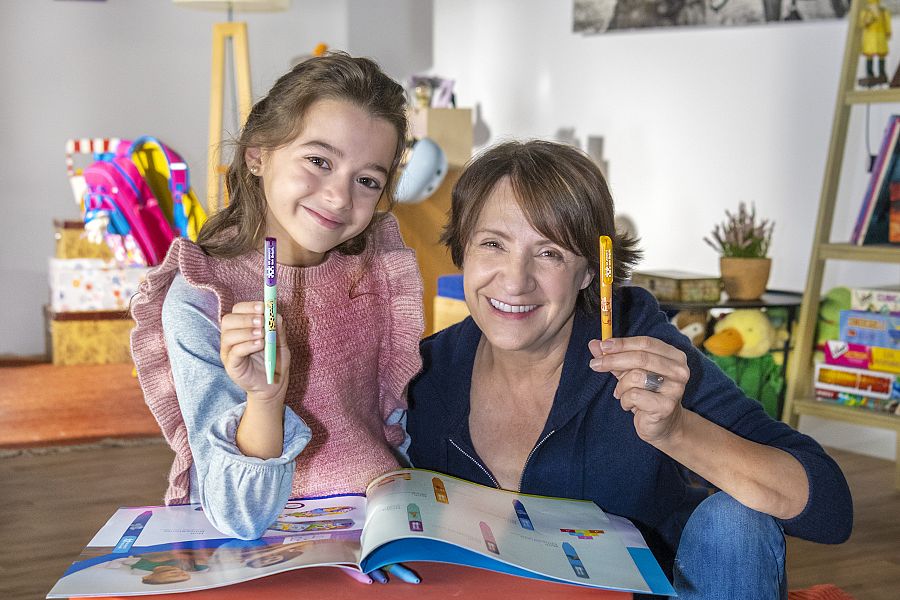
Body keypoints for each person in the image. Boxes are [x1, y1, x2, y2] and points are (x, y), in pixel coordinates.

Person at [406, 140, 853, 599]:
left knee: (736, 523)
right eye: (493, 244)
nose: (515, 279)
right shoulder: (425, 369)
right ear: (463, 252)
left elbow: (830, 508)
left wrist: (676, 429)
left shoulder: (641, 346)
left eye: (550, 253)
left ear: (589, 273)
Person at [131, 52, 424, 541]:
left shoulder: (378, 275)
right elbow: (240, 515)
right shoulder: (202, 298)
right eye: (318, 161)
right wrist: (266, 399)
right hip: (275, 551)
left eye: (367, 180)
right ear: (257, 154)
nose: (337, 196)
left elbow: (395, 431)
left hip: (384, 535)